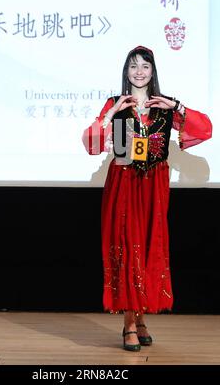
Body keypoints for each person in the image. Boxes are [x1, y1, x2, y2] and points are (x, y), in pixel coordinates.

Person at [82, 45, 212, 352]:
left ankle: (140, 317)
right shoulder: (115, 103)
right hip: (124, 184)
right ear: (126, 72)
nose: (139, 72)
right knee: (127, 249)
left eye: (145, 67)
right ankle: (129, 323)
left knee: (148, 247)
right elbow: (90, 141)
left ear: (153, 72)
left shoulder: (163, 107)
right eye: (133, 67)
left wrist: (176, 106)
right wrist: (112, 113)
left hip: (154, 187)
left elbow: (204, 129)